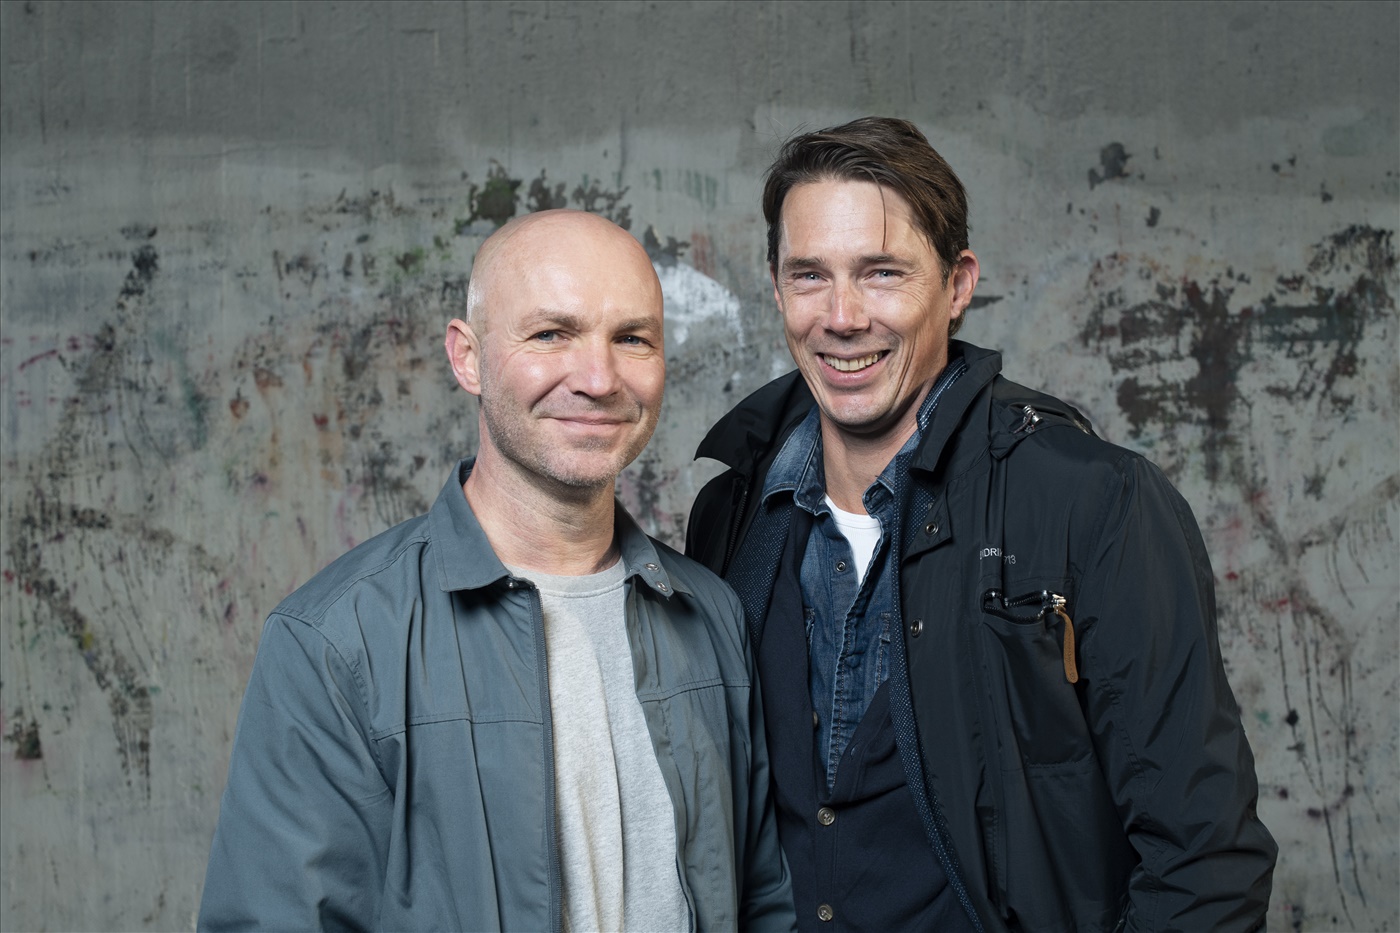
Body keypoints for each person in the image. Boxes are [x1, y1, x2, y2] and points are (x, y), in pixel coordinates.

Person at [686, 117, 1277, 933]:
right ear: (778, 289)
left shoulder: (1094, 503)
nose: (842, 315)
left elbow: (1206, 862)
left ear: (957, 284)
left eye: (882, 272)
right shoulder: (732, 515)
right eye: (810, 275)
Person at [200, 210, 796, 932]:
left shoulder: (711, 615)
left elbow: (765, 904)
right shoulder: (333, 642)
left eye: (632, 338)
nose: (599, 378)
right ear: (468, 356)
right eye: (551, 334)